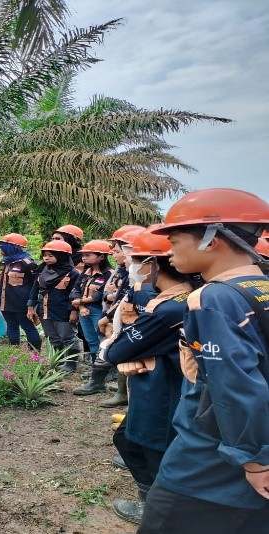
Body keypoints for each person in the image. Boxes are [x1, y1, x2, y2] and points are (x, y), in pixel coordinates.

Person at [135, 188, 269, 533]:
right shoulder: (260, 287)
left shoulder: (212, 300)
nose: (169, 251)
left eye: (176, 240)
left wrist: (254, 460)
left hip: (212, 457)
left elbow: (234, 386)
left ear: (212, 240)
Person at [101, 228, 194, 524]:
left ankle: (155, 509)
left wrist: (122, 352)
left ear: (154, 265)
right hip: (159, 384)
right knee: (131, 439)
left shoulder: (170, 309)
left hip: (162, 390)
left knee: (152, 449)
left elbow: (115, 352)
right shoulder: (177, 298)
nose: (131, 265)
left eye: (138, 260)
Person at [99, 225, 145, 408]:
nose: (116, 255)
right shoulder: (126, 273)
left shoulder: (142, 278)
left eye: (119, 251)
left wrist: (109, 318)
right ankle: (123, 393)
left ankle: (128, 396)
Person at [27, 240, 81, 367]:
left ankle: (71, 364)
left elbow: (76, 294)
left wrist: (73, 311)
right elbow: (35, 289)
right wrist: (30, 307)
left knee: (68, 338)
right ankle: (59, 361)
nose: (46, 258)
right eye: (45, 255)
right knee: (53, 338)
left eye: (51, 255)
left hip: (63, 312)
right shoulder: (42, 270)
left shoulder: (72, 273)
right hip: (44, 310)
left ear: (61, 256)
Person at [0, 233, 42, 350]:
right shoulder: (5, 262)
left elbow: (36, 284)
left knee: (27, 326)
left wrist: (32, 304)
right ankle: (14, 349)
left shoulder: (27, 263)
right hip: (5, 301)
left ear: (10, 248)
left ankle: (34, 351)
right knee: (11, 324)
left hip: (22, 302)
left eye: (2, 246)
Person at [70, 239, 113, 363]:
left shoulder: (109, 274)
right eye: (83, 255)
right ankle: (96, 367)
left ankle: (108, 369)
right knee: (91, 340)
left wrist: (80, 302)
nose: (83, 258)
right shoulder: (85, 273)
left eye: (88, 255)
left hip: (99, 311)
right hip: (84, 311)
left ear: (101, 256)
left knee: (103, 339)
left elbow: (100, 295)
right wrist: (81, 307)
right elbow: (75, 290)